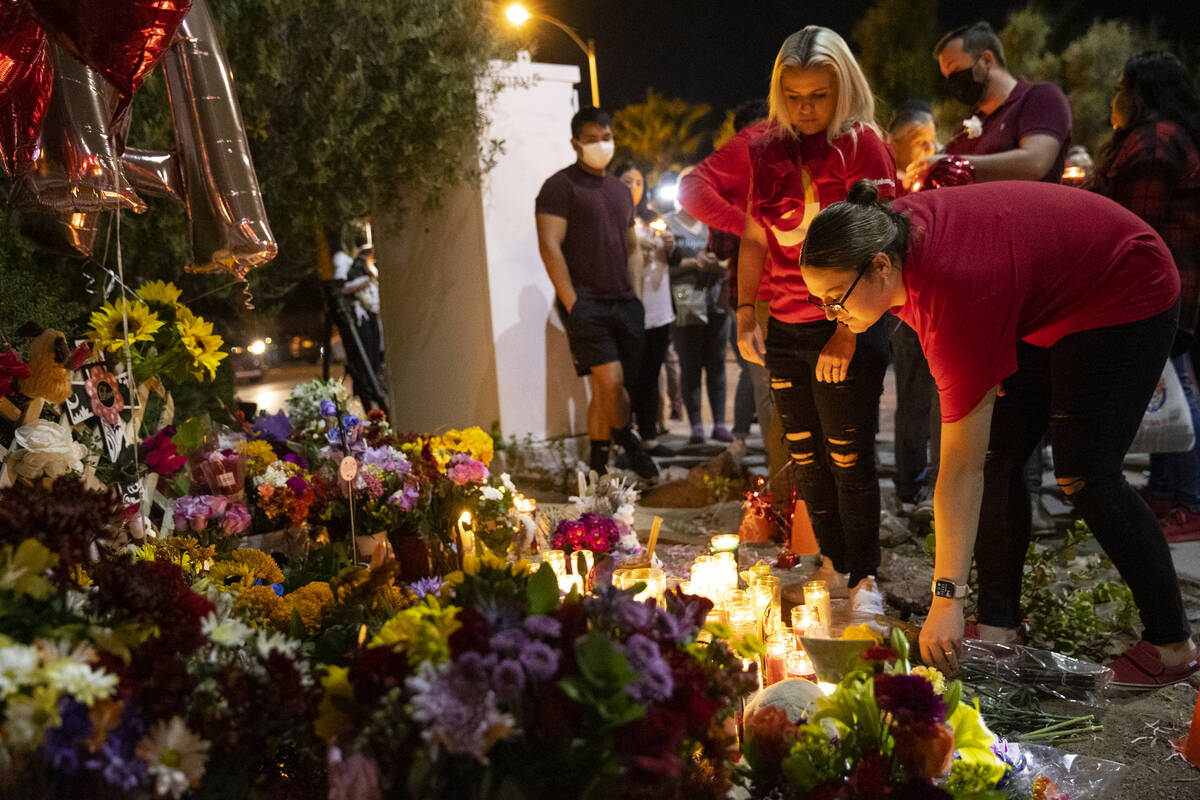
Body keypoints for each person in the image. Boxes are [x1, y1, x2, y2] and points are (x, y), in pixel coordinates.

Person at [799, 179, 1199, 688]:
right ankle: (998, 629)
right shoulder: (887, 235)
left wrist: (945, 596)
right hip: (1036, 293)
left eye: (836, 300)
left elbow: (957, 470)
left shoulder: (953, 294)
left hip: (1124, 282)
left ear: (880, 265)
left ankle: (1173, 647)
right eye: (821, 303)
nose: (833, 314)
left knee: (1085, 473)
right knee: (999, 453)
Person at [736, 26, 896, 612]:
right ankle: (832, 563)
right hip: (785, 328)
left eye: (819, 96)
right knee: (805, 455)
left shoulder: (864, 148)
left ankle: (866, 581)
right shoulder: (765, 149)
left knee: (849, 455)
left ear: (843, 88)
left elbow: (883, 247)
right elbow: (755, 238)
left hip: (848, 324)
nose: (806, 109)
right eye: (795, 96)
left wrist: (847, 332)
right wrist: (745, 311)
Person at [1091, 51, 1200, 541]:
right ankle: (1166, 490)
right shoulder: (1161, 136)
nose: (1115, 96)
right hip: (1169, 281)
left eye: (1121, 85)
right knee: (1165, 386)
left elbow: (1137, 226)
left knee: (1174, 388)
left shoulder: (1155, 141)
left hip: (1164, 284)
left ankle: (1188, 501)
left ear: (1139, 92)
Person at [535, 107, 658, 480]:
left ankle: (599, 463)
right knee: (610, 382)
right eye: (592, 139)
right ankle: (631, 445)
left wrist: (635, 295)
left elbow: (632, 245)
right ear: (575, 143)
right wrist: (574, 303)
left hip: (624, 303)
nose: (601, 144)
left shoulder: (621, 191)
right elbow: (549, 246)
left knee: (603, 389)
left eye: (606, 137)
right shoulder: (559, 187)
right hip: (587, 304)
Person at [679, 99, 784, 469]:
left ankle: (793, 501)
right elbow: (691, 189)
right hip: (761, 294)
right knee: (771, 391)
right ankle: (790, 501)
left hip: (781, 293)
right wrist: (749, 227)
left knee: (771, 390)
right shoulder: (755, 142)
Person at [912, 21, 1072, 187]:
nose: (952, 83)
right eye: (947, 77)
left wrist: (949, 163)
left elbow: (1035, 163)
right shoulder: (966, 130)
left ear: (987, 60)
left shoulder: (1040, 97)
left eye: (955, 69)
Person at [885, 101, 940, 521]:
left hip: (942, 300)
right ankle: (909, 482)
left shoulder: (945, 177)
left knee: (946, 398)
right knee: (913, 395)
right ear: (897, 144)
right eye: (920, 141)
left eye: (933, 139)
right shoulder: (888, 186)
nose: (929, 148)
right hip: (904, 307)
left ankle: (939, 485)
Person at [664, 168, 731, 445]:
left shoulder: (715, 223)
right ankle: (696, 427)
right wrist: (692, 262)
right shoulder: (667, 225)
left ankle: (718, 423)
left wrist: (720, 265)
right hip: (684, 305)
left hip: (716, 300)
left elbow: (732, 259)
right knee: (690, 365)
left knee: (717, 364)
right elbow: (663, 267)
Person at [616, 162, 677, 456]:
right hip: (630, 309)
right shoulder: (615, 219)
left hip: (660, 309)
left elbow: (674, 262)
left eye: (638, 182)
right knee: (631, 376)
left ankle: (650, 436)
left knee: (652, 373)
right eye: (627, 181)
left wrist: (670, 245)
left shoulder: (653, 218)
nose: (634, 188)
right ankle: (626, 439)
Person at [335, 234, 383, 405]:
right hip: (358, 317)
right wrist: (362, 281)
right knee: (365, 361)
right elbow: (341, 286)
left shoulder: (359, 262)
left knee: (373, 359)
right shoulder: (346, 261)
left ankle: (372, 394)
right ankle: (368, 395)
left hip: (368, 314)